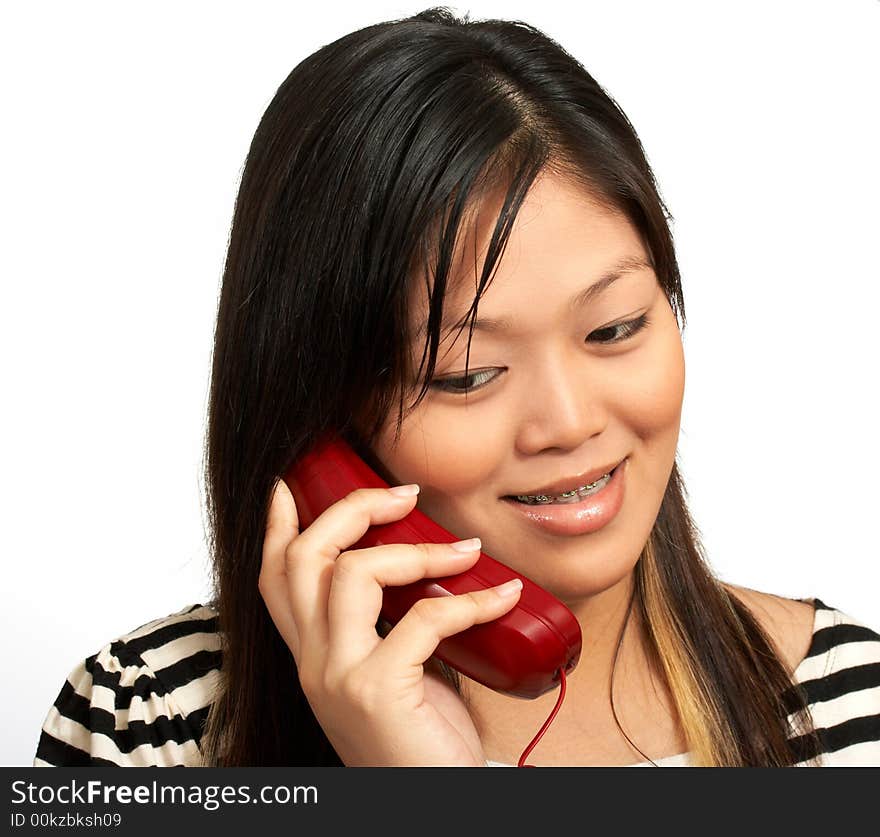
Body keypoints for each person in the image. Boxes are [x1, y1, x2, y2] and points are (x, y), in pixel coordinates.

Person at [33, 6, 880, 768]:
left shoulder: (856, 703)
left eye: (616, 328)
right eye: (467, 373)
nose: (570, 420)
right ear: (323, 428)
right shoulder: (143, 721)